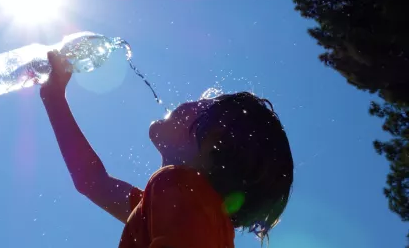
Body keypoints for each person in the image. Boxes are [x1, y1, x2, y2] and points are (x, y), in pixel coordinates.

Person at [40, 51, 294, 248]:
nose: (189, 102)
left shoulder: (180, 189)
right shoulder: (181, 209)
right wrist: (53, 97)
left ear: (213, 142)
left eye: (203, 105)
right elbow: (92, 181)